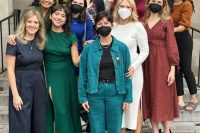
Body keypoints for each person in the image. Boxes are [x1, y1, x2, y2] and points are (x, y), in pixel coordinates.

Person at [78, 11, 133, 133]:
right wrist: (82, 98)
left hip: (116, 92)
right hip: (94, 91)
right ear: (96, 27)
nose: (103, 26)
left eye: (106, 23)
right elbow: (82, 75)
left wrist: (128, 98)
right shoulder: (88, 49)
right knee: (97, 129)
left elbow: (127, 74)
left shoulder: (122, 48)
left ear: (112, 25)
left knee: (115, 128)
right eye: (100, 23)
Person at [142, 0, 180, 133]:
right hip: (147, 63)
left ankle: (166, 130)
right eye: (153, 0)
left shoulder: (167, 20)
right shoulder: (143, 20)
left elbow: (171, 43)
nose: (155, 3)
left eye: (159, 1)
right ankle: (155, 130)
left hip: (162, 61)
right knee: (150, 95)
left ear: (163, 4)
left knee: (163, 96)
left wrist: (173, 68)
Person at [6, 9, 46, 133]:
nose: (32, 25)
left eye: (36, 22)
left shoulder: (41, 42)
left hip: (38, 85)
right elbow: (10, 69)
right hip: (21, 84)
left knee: (39, 122)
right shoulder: (14, 41)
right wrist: (15, 95)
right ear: (24, 22)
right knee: (21, 124)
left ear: (39, 25)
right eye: (29, 21)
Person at [112, 0, 149, 133]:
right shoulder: (113, 26)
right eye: (122, 6)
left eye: (128, 7)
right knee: (119, 105)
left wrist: (134, 66)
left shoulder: (137, 26)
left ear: (133, 10)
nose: (125, 9)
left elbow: (145, 50)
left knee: (133, 105)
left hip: (133, 71)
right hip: (115, 71)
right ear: (117, 8)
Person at [44, 4, 82, 133]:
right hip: (50, 76)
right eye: (57, 14)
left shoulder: (71, 37)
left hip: (67, 78)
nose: (59, 17)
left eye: (63, 15)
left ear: (66, 19)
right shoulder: (42, 35)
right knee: (53, 110)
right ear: (50, 15)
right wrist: (13, 37)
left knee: (64, 110)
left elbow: (76, 62)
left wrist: (87, 50)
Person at [170, 0, 198, 111]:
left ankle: (193, 98)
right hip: (173, 39)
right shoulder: (169, 4)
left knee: (186, 69)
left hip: (183, 39)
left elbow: (184, 25)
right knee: (176, 69)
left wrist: (170, 30)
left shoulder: (186, 4)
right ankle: (180, 99)